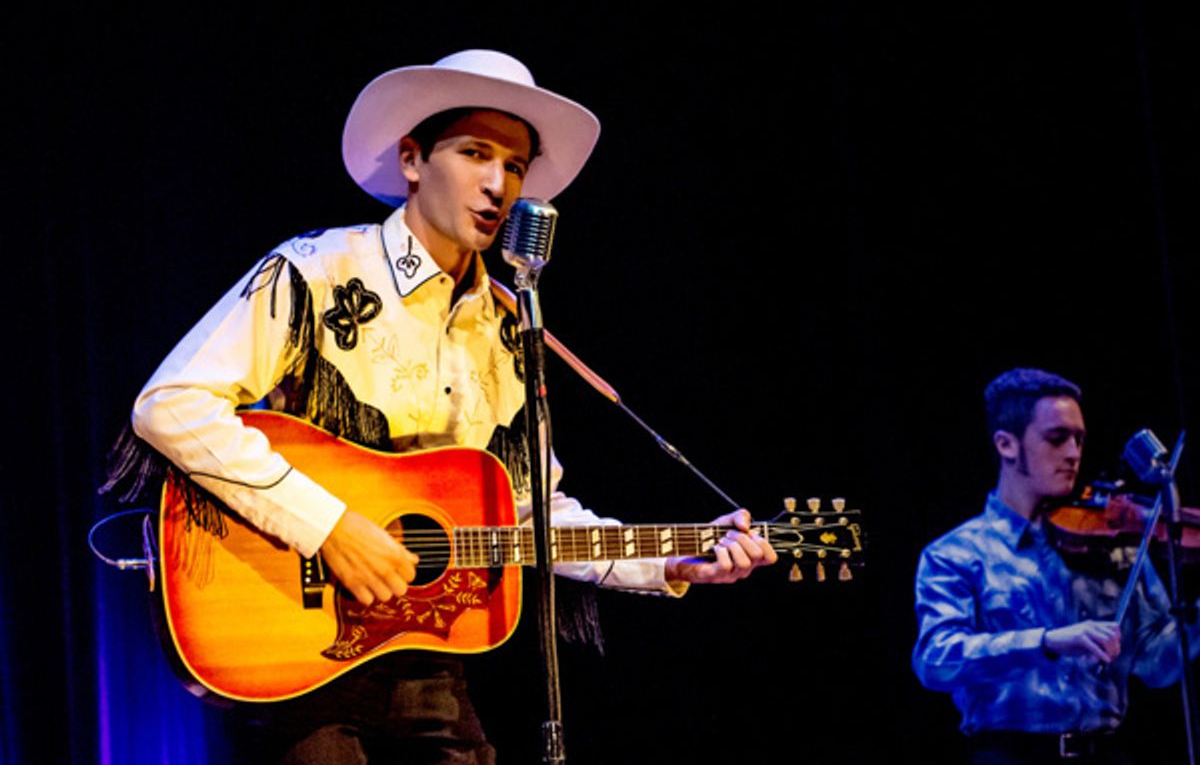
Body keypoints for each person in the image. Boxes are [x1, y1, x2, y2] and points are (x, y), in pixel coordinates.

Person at [104, 49, 777, 764]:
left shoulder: (509, 325)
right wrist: (330, 527)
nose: (498, 185)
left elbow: (529, 515)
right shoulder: (316, 270)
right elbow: (171, 403)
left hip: (427, 658)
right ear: (413, 159)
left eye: (515, 166)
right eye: (475, 153)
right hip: (297, 653)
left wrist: (677, 559)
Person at [911, 367, 1200, 764]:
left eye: (1079, 438)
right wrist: (1046, 641)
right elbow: (936, 660)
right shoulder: (956, 554)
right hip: (1010, 755)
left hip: (1107, 752)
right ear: (1007, 445)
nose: (1073, 453)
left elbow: (1155, 664)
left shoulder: (1113, 541)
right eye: (1056, 438)